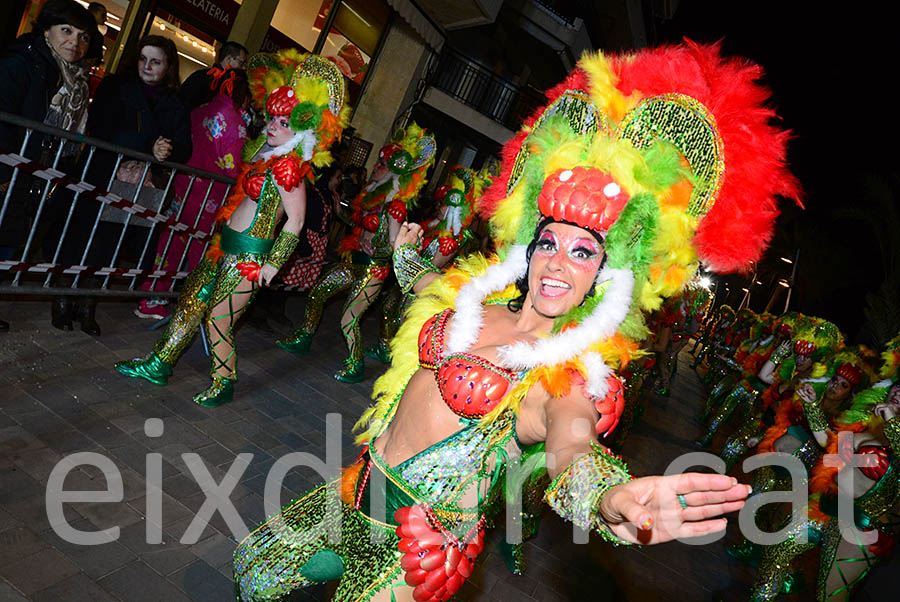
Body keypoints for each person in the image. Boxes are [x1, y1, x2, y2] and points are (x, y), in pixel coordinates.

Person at [232, 42, 801, 602]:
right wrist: (405, 256)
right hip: (353, 493)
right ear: (529, 245)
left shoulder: (567, 372)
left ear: (609, 273)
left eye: (583, 251)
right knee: (251, 571)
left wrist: (609, 499)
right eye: (549, 241)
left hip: (418, 545)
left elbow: (571, 444)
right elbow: (430, 288)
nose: (557, 261)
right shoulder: (475, 301)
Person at [115, 50, 348, 407]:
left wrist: (272, 265)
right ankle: (158, 363)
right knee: (190, 304)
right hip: (224, 244)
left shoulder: (289, 172)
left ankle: (224, 381)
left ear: (301, 130)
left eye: (283, 123)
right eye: (271, 118)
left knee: (218, 321)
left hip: (248, 259)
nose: (272, 126)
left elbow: (297, 223)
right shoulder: (265, 156)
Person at [47, 34, 192, 335]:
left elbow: (184, 145)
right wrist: (148, 146)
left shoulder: (174, 103)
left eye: (156, 61)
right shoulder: (116, 87)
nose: (147, 66)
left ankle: (88, 305)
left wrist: (169, 151)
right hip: (101, 173)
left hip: (142, 185)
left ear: (168, 67)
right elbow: (102, 127)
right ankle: (62, 299)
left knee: (108, 246)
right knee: (79, 238)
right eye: (143, 59)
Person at [276, 124, 436, 383]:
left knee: (349, 319)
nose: (376, 166)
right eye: (379, 161)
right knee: (318, 292)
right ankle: (304, 337)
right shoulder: (371, 195)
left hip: (374, 269)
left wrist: (382, 249)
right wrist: (344, 218)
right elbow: (360, 230)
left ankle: (355, 363)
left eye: (383, 163)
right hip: (354, 261)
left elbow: (397, 245)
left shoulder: (395, 206)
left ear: (395, 172)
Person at [0, 0, 98, 332]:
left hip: (31, 175)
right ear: (47, 30)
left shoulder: (74, 79)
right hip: (9, 169)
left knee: (8, 240)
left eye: (83, 36)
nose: (75, 42)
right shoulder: (23, 61)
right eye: (66, 31)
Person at [135, 67, 252, 320]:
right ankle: (191, 304)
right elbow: (234, 168)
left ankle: (152, 297)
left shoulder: (200, 110)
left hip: (184, 185)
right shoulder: (235, 122)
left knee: (170, 245)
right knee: (199, 250)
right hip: (209, 196)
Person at [180, 40, 248, 113]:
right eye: (241, 63)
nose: (243, 68)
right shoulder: (203, 77)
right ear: (228, 59)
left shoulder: (229, 86)